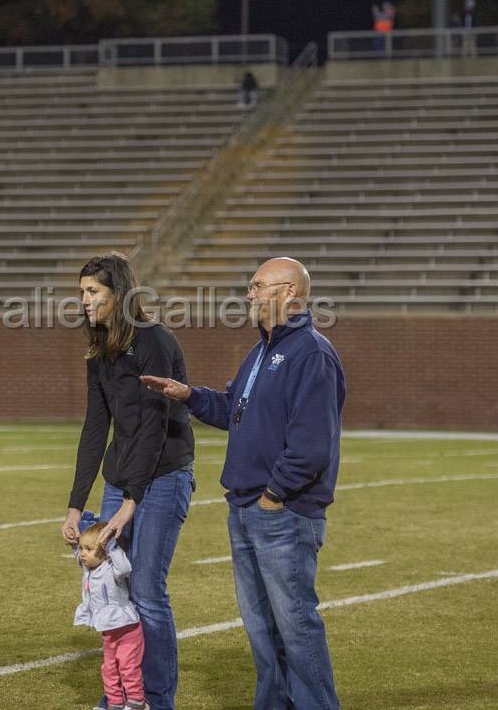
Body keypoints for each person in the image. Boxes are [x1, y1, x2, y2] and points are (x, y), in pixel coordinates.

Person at [141, 257, 344, 710]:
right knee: (262, 628)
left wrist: (273, 497)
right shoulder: (263, 350)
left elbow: (312, 445)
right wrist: (188, 394)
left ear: (289, 291)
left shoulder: (310, 352)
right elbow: (235, 408)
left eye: (257, 285)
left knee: (295, 625)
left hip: (282, 511)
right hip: (248, 507)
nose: (248, 294)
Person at [61, 253, 195, 710]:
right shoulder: (100, 348)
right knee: (116, 591)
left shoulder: (154, 341)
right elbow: (96, 427)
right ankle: (120, 698)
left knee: (147, 593)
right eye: (81, 292)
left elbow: (155, 428)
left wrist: (131, 502)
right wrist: (76, 507)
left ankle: (156, 701)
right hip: (123, 477)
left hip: (164, 475)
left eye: (93, 292)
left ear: (118, 293)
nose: (84, 301)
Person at [74, 521, 147, 710]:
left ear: (104, 550)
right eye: (81, 548)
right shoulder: (89, 569)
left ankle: (136, 701)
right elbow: (81, 555)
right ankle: (115, 703)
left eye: (88, 549)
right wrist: (76, 539)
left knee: (127, 665)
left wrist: (112, 546)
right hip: (108, 632)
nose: (82, 553)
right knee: (108, 668)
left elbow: (125, 569)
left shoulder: (111, 568)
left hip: (127, 628)